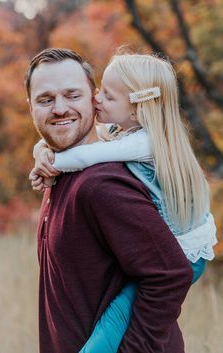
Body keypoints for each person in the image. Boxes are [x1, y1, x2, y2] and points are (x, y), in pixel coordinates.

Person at [30, 51, 217, 353]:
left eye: (73, 95)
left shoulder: (102, 183)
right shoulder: (95, 156)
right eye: (45, 100)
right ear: (30, 106)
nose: (60, 108)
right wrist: (42, 151)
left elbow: (169, 276)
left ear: (89, 98)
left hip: (192, 247)